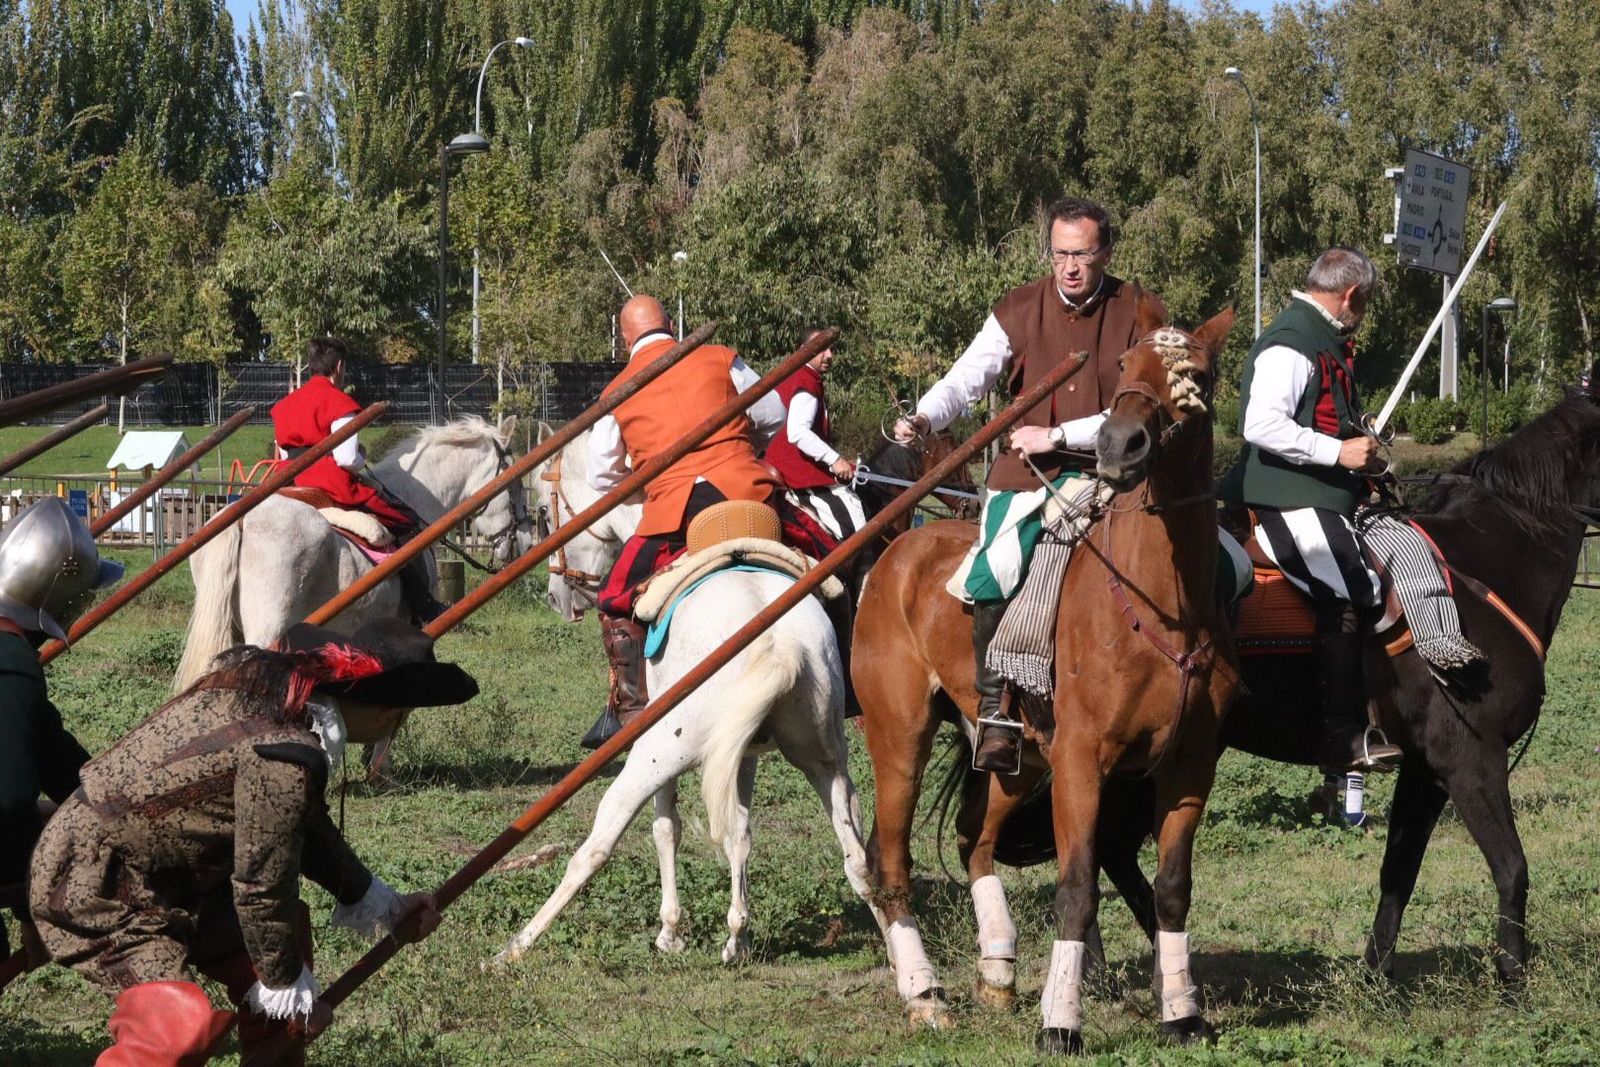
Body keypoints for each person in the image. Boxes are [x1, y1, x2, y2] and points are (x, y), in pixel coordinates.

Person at [29, 618, 478, 1066]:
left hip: (174, 876)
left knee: (284, 943)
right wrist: (289, 992)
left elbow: (307, 829)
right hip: (97, 882)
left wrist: (387, 906)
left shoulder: (270, 703)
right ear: (388, 714)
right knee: (175, 1032)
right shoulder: (285, 753)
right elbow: (262, 886)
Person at [892, 196, 1163, 773]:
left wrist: (1058, 434)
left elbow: (1135, 407)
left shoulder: (1138, 311)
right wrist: (926, 417)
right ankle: (996, 712)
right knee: (999, 564)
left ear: (1106, 253)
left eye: (1082, 255)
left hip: (1111, 473)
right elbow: (967, 378)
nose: (1070, 267)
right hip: (1027, 479)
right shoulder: (1018, 307)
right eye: (1060, 254)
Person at [580, 295, 842, 749]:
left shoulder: (618, 391)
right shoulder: (720, 358)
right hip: (748, 491)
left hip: (676, 513)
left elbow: (601, 475)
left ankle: (632, 705)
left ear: (624, 339)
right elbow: (773, 415)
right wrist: (743, 447)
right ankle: (848, 678)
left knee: (615, 596)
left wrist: (649, 483)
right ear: (671, 325)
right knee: (832, 557)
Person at [1220, 246, 1402, 773]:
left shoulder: (1324, 336)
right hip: (1283, 497)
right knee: (1347, 585)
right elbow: (1261, 425)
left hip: (1319, 494)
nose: (1363, 313)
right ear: (1351, 294)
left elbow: (1320, 416)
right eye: (1365, 302)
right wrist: (1338, 453)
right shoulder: (1292, 340)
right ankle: (1341, 737)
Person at [0, 498, 123, 966]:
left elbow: (56, 758)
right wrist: (31, 904)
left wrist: (113, 800)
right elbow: (10, 803)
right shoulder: (11, 662)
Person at [270, 336, 445, 622]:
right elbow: (347, 460)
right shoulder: (339, 402)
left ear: (312, 365)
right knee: (405, 522)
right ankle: (423, 603)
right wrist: (362, 457)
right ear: (339, 366)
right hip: (327, 482)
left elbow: (284, 449)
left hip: (288, 479)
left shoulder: (286, 404)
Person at [765, 328, 867, 541]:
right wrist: (835, 460)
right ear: (804, 350)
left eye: (830, 349)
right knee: (858, 530)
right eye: (822, 349)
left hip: (789, 470)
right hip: (796, 476)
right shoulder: (805, 380)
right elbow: (798, 433)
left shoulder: (792, 375)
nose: (829, 355)